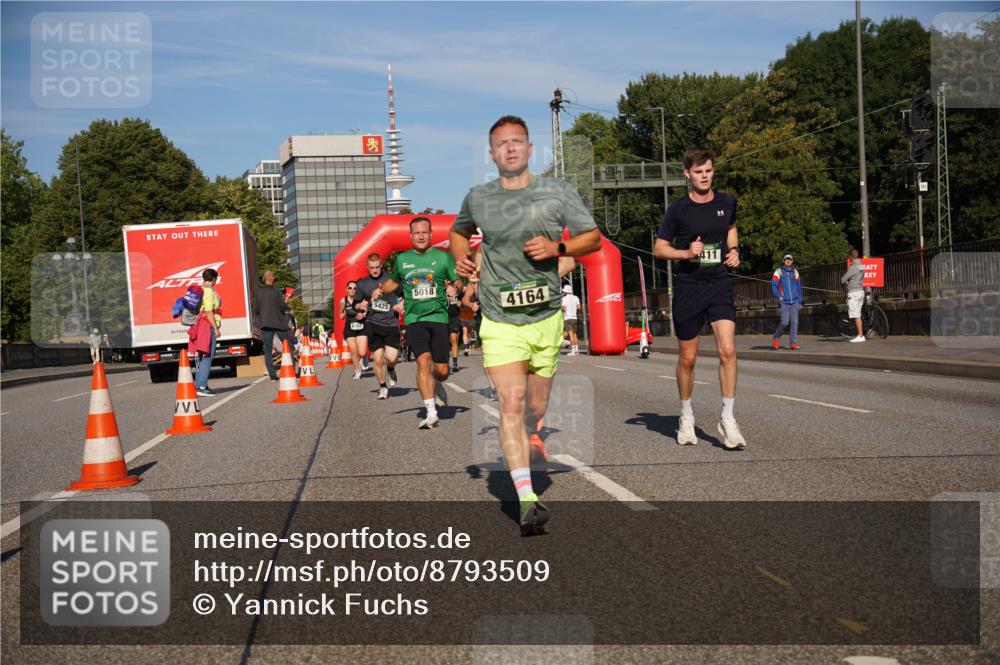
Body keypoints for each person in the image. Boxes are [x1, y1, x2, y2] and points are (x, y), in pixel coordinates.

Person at [450, 115, 601, 536]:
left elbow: (593, 238)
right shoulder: (478, 197)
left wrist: (559, 246)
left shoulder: (557, 192)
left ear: (530, 149)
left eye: (518, 141)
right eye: (502, 143)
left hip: (547, 316)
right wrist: (462, 257)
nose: (511, 148)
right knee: (511, 405)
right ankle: (526, 500)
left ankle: (535, 431)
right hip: (500, 318)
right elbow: (458, 232)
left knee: (534, 408)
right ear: (492, 153)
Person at [653, 147, 746, 450]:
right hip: (689, 286)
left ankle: (728, 419)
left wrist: (733, 252)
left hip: (718, 283)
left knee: (728, 350)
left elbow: (731, 230)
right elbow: (659, 248)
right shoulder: (678, 210)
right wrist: (685, 253)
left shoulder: (727, 202)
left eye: (708, 171)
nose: (704, 176)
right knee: (689, 358)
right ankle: (686, 415)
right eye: (698, 172)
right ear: (687, 175)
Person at [373, 217, 460, 428]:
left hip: (439, 317)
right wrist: (380, 290)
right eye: (416, 233)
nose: (421, 236)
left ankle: (436, 380)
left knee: (442, 370)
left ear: (431, 234)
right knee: (422, 361)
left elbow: (457, 280)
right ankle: (431, 413)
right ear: (410, 236)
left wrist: (454, 288)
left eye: (424, 232)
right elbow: (393, 281)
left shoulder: (443, 257)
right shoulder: (402, 259)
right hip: (414, 319)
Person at [354, 253, 402, 399]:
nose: (375, 270)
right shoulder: (362, 284)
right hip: (373, 323)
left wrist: (401, 304)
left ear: (381, 266)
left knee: (392, 357)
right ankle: (383, 387)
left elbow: (404, 295)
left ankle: (391, 368)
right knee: (378, 358)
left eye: (377, 267)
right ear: (367, 267)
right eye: (372, 268)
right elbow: (355, 303)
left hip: (391, 323)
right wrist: (359, 305)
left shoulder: (391, 280)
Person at [254, 270, 292, 381]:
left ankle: (272, 375)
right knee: (287, 346)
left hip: (265, 324)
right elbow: (283, 308)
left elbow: (256, 310)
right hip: (279, 323)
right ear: (271, 279)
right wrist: (287, 299)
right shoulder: (277, 291)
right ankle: (292, 371)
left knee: (268, 350)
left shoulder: (259, 292)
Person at [195, 268, 222, 397]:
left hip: (201, 325)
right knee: (208, 355)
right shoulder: (208, 291)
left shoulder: (202, 289)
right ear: (214, 279)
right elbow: (209, 311)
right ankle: (200, 386)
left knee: (203, 354)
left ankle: (202, 384)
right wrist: (216, 328)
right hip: (208, 325)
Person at [771, 254, 803, 350]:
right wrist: (778, 296)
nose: (788, 261)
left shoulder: (795, 272)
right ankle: (776, 337)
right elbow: (774, 285)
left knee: (794, 322)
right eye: (786, 260)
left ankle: (793, 343)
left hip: (795, 302)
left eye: (790, 260)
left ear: (792, 261)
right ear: (784, 261)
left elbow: (798, 287)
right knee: (784, 322)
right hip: (784, 301)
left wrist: (800, 301)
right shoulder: (779, 272)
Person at [339, 280, 367, 379]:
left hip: (361, 327)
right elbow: (341, 314)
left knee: (362, 352)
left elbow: (368, 311)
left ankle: (364, 357)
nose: (352, 290)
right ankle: (358, 371)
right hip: (349, 328)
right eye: (350, 288)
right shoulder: (343, 300)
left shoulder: (362, 300)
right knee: (354, 351)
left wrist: (363, 314)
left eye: (355, 288)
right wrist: (344, 313)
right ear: (347, 289)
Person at [842, 248, 866, 343]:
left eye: (849, 257)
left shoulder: (854, 266)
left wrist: (847, 282)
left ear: (851, 257)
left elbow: (843, 279)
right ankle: (860, 334)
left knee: (856, 314)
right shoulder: (861, 266)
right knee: (858, 314)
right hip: (860, 291)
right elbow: (862, 278)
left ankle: (860, 335)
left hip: (854, 292)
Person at [446, 279, 464, 372]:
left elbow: (461, 303)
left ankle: (455, 363)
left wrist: (459, 303)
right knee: (445, 342)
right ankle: (445, 362)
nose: (447, 280)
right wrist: (447, 300)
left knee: (454, 339)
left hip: (455, 318)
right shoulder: (440, 291)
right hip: (443, 319)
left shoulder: (457, 291)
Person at [561, 285, 581, 355]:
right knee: (575, 334)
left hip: (568, 317)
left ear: (565, 291)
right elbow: (579, 307)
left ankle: (572, 350)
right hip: (574, 317)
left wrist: (562, 310)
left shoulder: (564, 298)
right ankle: (577, 349)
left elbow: (564, 309)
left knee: (570, 334)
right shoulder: (576, 297)